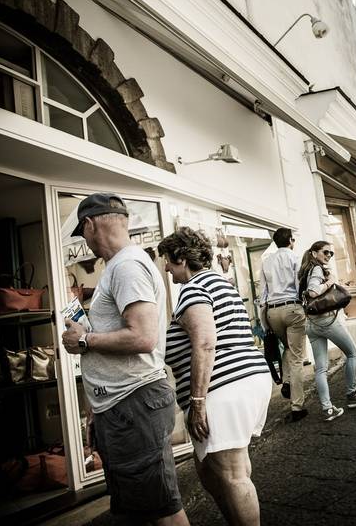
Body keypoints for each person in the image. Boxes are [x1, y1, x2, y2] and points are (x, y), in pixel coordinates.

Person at [60, 193, 189, 525]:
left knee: (162, 510)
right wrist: (96, 408)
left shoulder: (127, 266)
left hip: (134, 404)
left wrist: (85, 339)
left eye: (82, 233)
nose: (85, 243)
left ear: (90, 225)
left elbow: (143, 336)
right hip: (121, 406)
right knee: (136, 508)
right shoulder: (121, 265)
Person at [159, 228, 271, 526]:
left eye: (167, 261)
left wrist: (197, 402)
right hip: (243, 380)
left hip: (223, 389)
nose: (166, 268)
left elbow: (206, 343)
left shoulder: (194, 288)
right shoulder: (219, 282)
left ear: (181, 258)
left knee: (233, 476)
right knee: (209, 471)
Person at [299, 241, 356, 420]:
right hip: (325, 321)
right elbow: (312, 292)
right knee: (353, 353)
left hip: (310, 323)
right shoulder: (317, 269)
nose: (328, 256)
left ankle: (328, 409)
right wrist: (330, 282)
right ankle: (352, 394)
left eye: (331, 253)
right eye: (325, 252)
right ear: (314, 253)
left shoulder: (304, 271)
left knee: (321, 369)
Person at [259, 227, 307, 422]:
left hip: (272, 311)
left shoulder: (266, 262)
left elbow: (262, 293)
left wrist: (265, 322)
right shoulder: (295, 258)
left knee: (287, 347)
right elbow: (298, 286)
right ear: (290, 240)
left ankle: (286, 381)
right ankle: (297, 406)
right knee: (296, 357)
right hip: (292, 308)